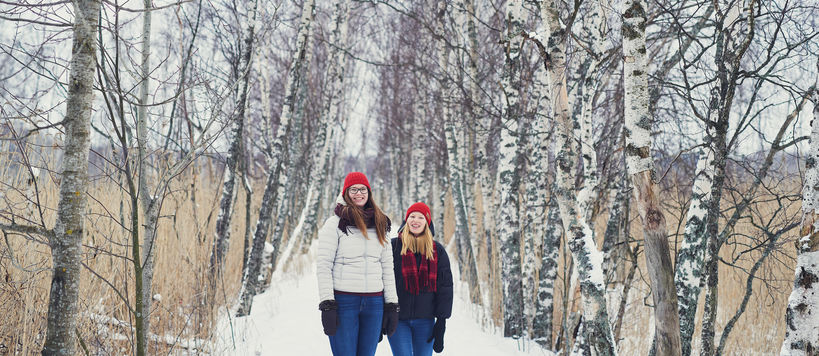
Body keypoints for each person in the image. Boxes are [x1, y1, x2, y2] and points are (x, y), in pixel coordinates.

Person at [316, 172, 400, 356]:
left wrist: (392, 304)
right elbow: (324, 265)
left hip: (374, 303)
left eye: (363, 189)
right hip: (344, 301)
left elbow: (387, 267)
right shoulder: (335, 224)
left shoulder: (380, 223)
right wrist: (327, 304)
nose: (358, 193)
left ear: (369, 193)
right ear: (346, 193)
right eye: (353, 189)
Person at [387, 202, 453, 356]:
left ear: (427, 223)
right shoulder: (393, 247)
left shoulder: (437, 251)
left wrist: (441, 321)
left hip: (426, 321)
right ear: (406, 220)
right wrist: (381, 315)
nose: (415, 220)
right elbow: (382, 282)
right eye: (412, 216)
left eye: (420, 217)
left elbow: (445, 288)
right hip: (398, 320)